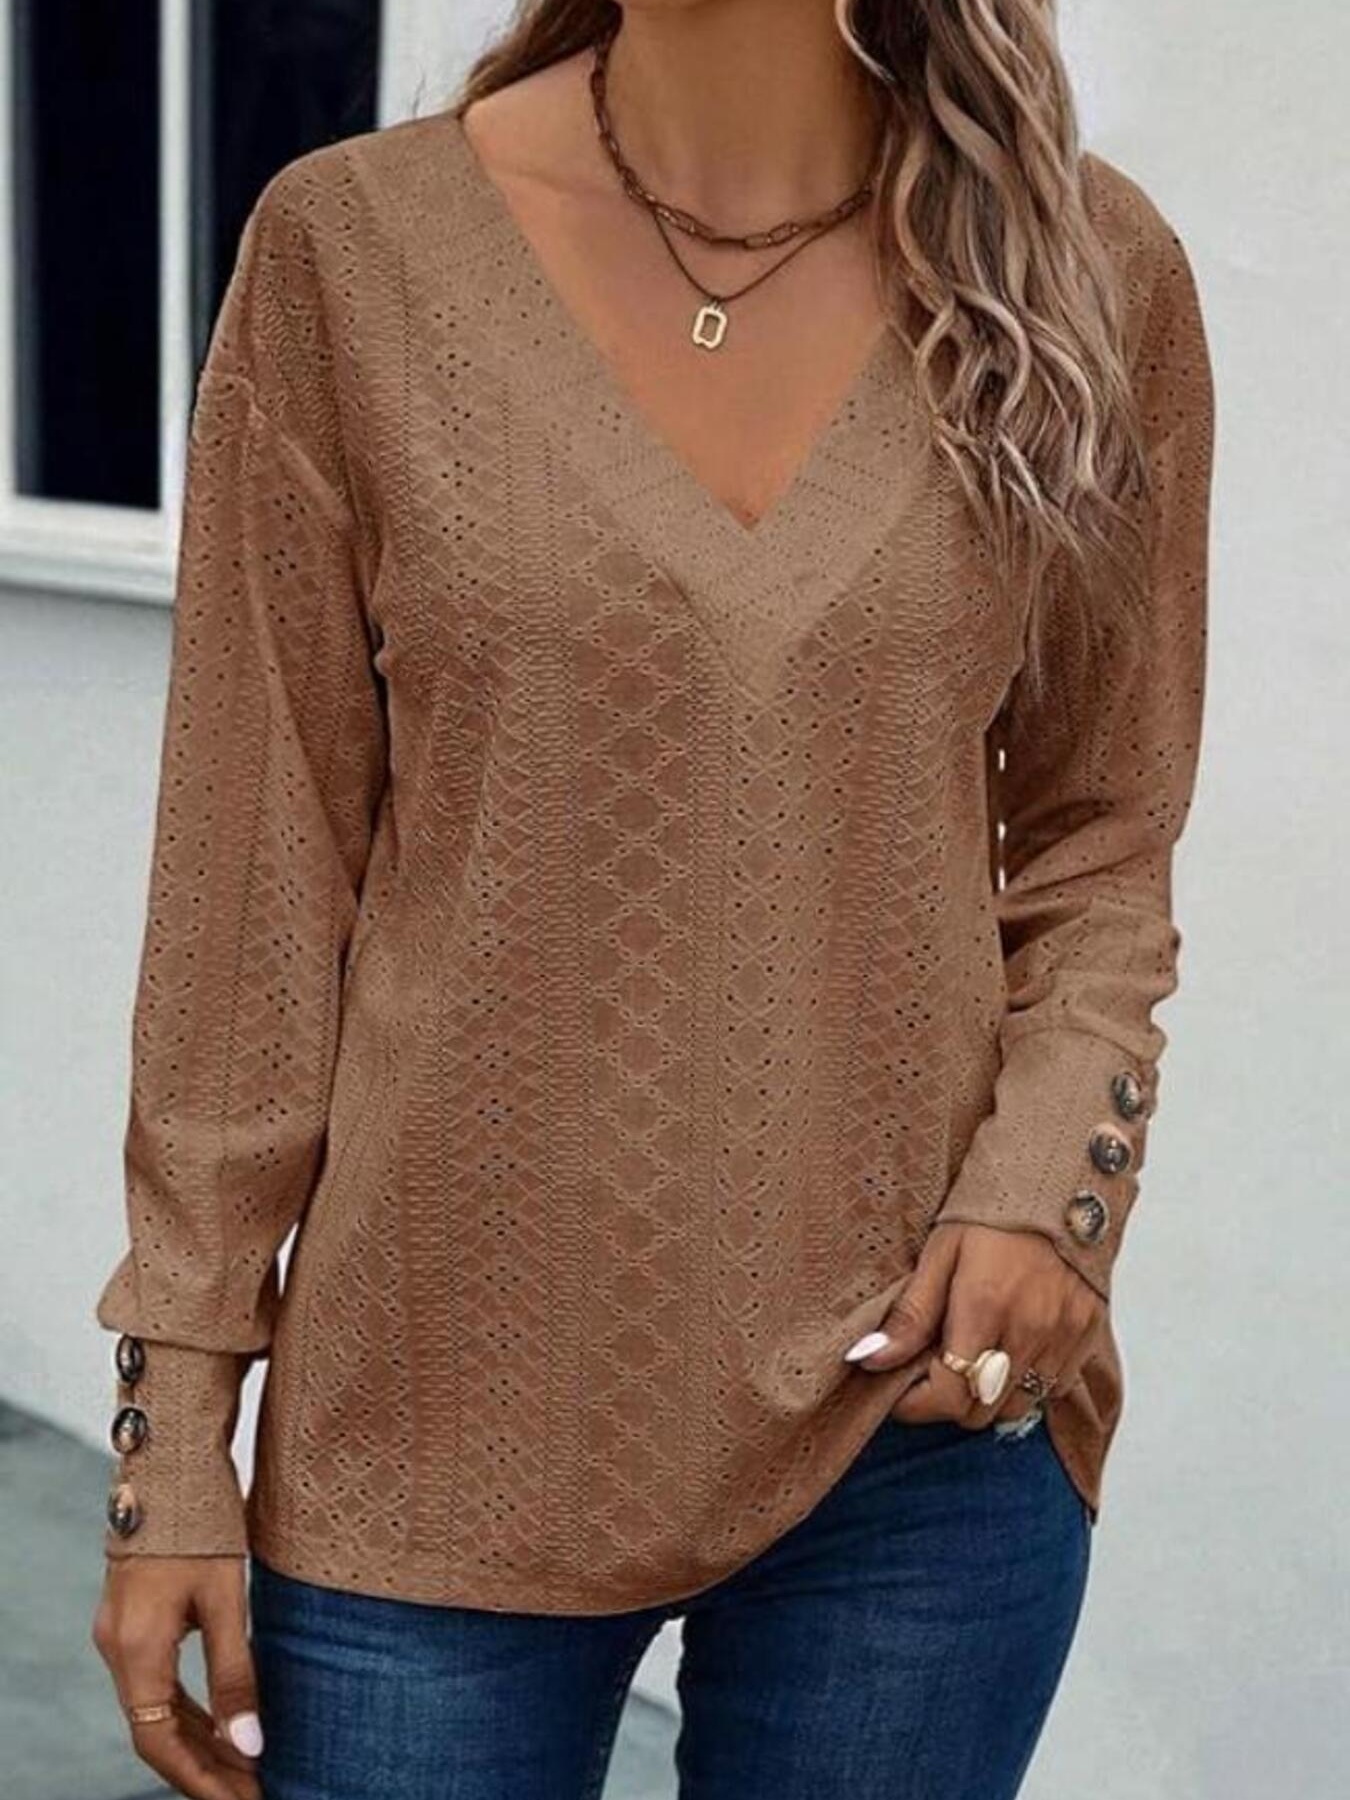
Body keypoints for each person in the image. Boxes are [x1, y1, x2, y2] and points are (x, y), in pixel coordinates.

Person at [89, 3, 1216, 1796]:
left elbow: (1100, 833)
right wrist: (173, 1430)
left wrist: (1051, 1196)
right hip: (428, 1429)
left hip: (916, 1424)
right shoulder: (352, 253)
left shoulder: (1083, 268)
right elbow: (250, 899)